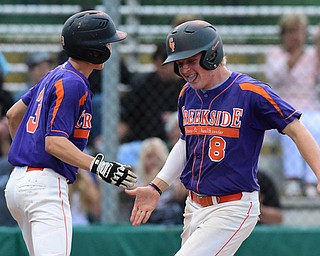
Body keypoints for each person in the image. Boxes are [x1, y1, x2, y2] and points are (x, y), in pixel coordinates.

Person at [125, 20, 320, 256]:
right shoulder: (188, 93)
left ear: (212, 54)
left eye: (191, 61)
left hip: (233, 206)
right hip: (194, 205)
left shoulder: (250, 92)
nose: (185, 70)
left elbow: (297, 129)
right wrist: (157, 187)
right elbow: (186, 142)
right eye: (180, 63)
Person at [4, 10, 137, 256]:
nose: (109, 46)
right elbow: (54, 143)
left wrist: (27, 154)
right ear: (92, 49)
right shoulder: (73, 82)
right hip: (44, 186)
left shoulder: (54, 74)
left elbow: (13, 115)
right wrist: (101, 167)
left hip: (18, 183)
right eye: (106, 42)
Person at [265, 12, 320, 197]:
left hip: (311, 108)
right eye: (291, 32)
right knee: (292, 125)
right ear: (283, 34)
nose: (295, 37)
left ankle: (313, 180)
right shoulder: (275, 54)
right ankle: (293, 179)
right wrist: (297, 52)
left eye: (299, 32)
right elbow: (276, 77)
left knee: (315, 126)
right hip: (282, 109)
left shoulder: (313, 56)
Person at [121, 42, 185, 142]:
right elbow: (126, 118)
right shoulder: (144, 83)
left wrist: (174, 118)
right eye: (157, 64)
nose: (160, 69)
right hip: (141, 140)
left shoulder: (186, 87)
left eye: (164, 66)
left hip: (174, 141)